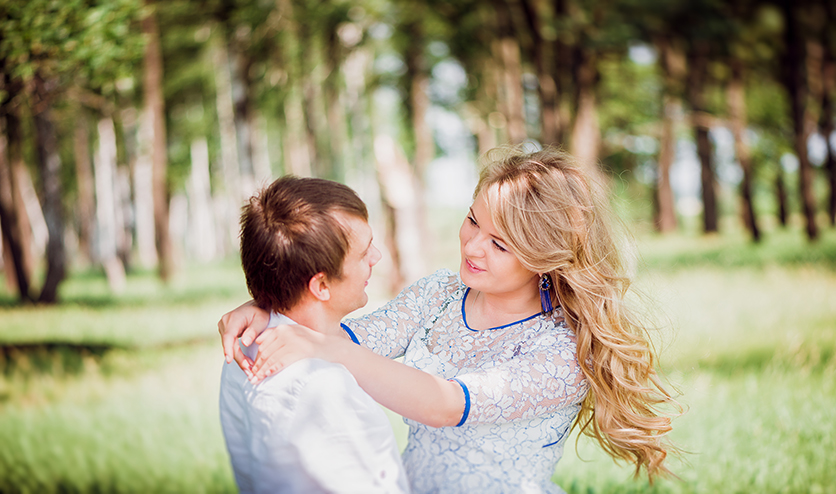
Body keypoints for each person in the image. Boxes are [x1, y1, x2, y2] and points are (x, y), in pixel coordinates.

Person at [219, 147, 677, 493]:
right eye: (472, 220)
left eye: (500, 244)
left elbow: (446, 406)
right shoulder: (439, 292)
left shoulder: (561, 353)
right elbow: (352, 336)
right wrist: (271, 305)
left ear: (545, 258)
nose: (473, 245)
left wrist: (328, 346)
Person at [218, 176, 410, 494]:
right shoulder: (326, 388)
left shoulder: (244, 347)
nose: (376, 256)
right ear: (320, 285)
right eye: (363, 254)